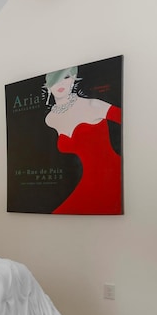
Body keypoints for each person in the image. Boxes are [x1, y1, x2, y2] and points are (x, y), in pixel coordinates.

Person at [44, 66, 122, 214]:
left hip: (111, 178)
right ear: (48, 86)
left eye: (66, 78)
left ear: (73, 79)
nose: (60, 84)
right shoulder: (49, 119)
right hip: (87, 183)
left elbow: (131, 123)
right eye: (55, 81)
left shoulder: (92, 105)